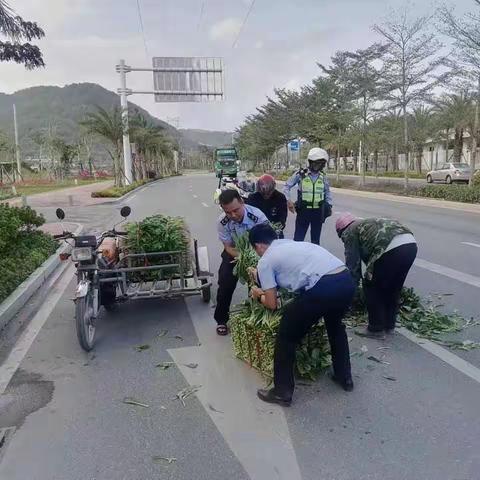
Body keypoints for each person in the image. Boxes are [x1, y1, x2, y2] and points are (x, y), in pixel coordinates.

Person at [248, 223, 355, 406]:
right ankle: (344, 377)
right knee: (336, 327)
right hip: (346, 281)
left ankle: (282, 392)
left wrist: (259, 296)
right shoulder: (294, 245)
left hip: (323, 288)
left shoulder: (265, 260)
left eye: (256, 250)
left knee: (286, 336)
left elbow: (272, 304)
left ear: (258, 245)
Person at [335, 213, 418, 340]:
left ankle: (376, 328)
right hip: (410, 244)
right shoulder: (366, 224)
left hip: (390, 248)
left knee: (372, 287)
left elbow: (353, 268)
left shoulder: (349, 232)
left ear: (342, 230)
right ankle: (389, 325)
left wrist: (351, 295)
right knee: (393, 288)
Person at [215, 189, 268, 335]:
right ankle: (221, 320)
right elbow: (228, 247)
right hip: (234, 253)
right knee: (225, 282)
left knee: (257, 285)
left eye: (236, 210)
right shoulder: (222, 222)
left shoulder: (257, 217)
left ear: (242, 202)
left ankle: (255, 318)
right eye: (228, 212)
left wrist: (252, 260)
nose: (233, 215)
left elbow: (266, 244)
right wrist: (243, 258)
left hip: (257, 254)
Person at [283, 147, 333, 245]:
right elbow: (286, 186)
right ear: (310, 162)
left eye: (320, 163)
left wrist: (329, 205)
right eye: (315, 162)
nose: (317, 165)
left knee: (315, 241)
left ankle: (313, 259)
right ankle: (296, 259)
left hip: (318, 212)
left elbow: (327, 192)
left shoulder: (323, 177)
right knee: (298, 239)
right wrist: (288, 201)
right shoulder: (301, 175)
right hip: (303, 211)